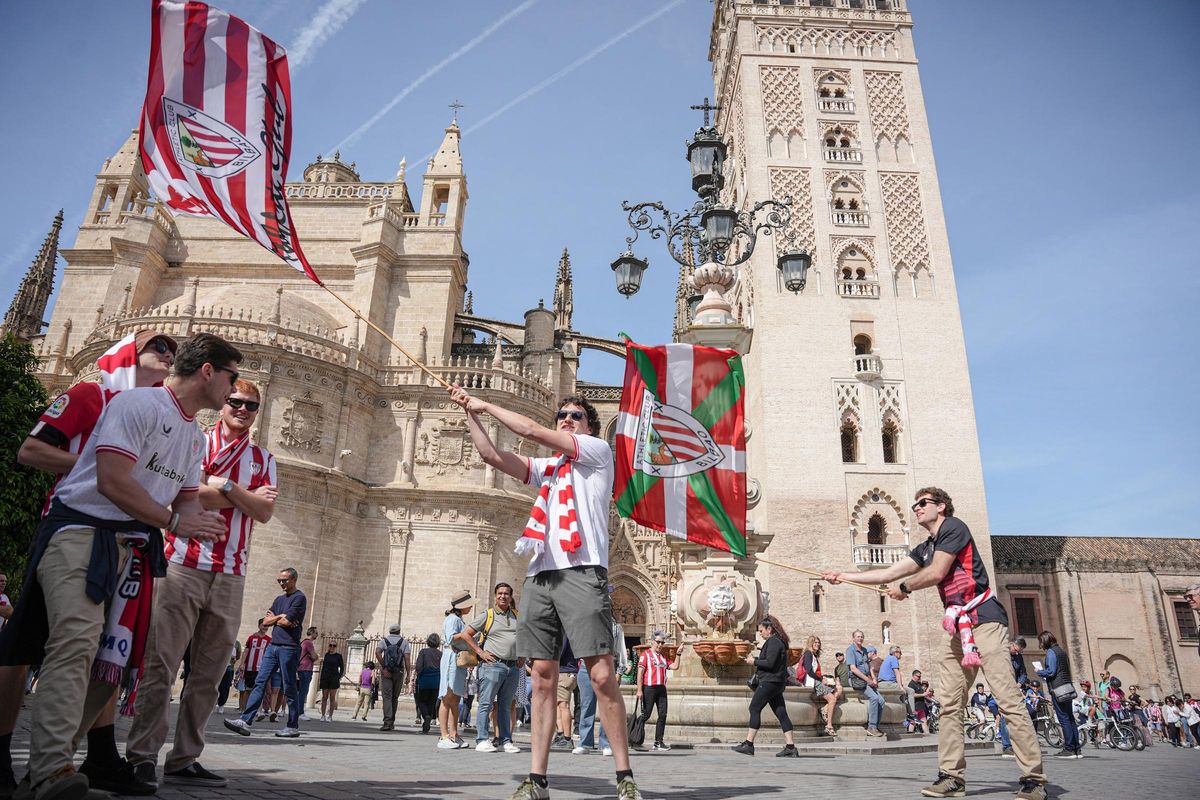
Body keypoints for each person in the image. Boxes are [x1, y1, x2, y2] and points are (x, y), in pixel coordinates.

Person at [0, 331, 234, 800]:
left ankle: (51, 763)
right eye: (232, 377)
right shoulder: (138, 406)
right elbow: (110, 481)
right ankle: (50, 770)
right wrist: (174, 520)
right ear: (208, 370)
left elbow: (186, 499)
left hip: (133, 548)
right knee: (76, 643)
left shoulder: (190, 436)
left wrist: (204, 520)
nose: (234, 390)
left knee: (114, 660)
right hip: (82, 533)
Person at [449, 385, 640, 800]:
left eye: (575, 416)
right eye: (563, 416)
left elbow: (532, 429)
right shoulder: (549, 470)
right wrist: (471, 413)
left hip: (583, 571)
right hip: (540, 577)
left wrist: (487, 402)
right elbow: (492, 457)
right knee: (541, 678)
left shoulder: (594, 455)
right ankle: (537, 780)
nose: (567, 419)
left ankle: (624, 775)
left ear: (589, 428)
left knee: (602, 674)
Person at [824, 487, 1047, 800]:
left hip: (985, 620)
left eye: (922, 503)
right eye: (914, 504)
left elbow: (938, 572)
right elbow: (887, 572)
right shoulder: (926, 547)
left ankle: (1033, 779)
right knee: (950, 704)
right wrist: (842, 575)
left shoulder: (954, 528)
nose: (916, 508)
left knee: (1007, 698)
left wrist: (905, 587)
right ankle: (952, 777)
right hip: (957, 629)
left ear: (941, 506)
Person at [127, 377, 277, 787]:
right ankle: (142, 755)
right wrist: (243, 494)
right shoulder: (193, 442)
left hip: (232, 572)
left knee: (209, 675)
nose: (242, 410)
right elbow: (181, 490)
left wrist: (223, 485)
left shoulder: (264, 458)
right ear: (222, 404)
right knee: (162, 663)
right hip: (183, 564)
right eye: (235, 402)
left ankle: (184, 757)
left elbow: (264, 513)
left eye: (251, 405)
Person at [223, 568, 307, 737]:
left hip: (289, 647)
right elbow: (267, 621)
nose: (282, 583)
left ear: (294, 579)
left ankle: (292, 726)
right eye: (279, 581)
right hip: (273, 646)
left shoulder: (299, 598)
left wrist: (279, 618)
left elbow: (286, 620)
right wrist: (278, 618)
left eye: (285, 580)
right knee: (260, 682)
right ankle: (245, 721)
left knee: (289, 686)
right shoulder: (279, 599)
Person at [457, 582, 522, 753]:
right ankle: (482, 739)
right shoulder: (488, 615)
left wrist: (523, 656)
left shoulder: (517, 615)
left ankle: (505, 741)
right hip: (492, 665)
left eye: (506, 593)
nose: (503, 596)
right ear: (495, 596)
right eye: (500, 593)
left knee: (505, 705)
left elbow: (525, 637)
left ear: (511, 596)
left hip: (512, 667)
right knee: (486, 703)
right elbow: (466, 634)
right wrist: (480, 652)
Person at [731, 616, 797, 757]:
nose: (760, 633)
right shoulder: (779, 642)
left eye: (761, 630)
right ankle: (790, 747)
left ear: (769, 629)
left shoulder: (773, 642)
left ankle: (749, 744)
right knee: (781, 713)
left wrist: (753, 661)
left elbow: (770, 663)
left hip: (769, 682)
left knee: (754, 708)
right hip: (777, 683)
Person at [576, 613, 626, 756]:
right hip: (586, 667)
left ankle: (605, 743)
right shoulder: (586, 623)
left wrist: (620, 671)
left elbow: (620, 649)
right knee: (586, 705)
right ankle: (584, 743)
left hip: (607, 666)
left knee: (607, 706)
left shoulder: (616, 627)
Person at [1034, 630, 1080, 759]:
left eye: (1041, 642)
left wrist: (1040, 671)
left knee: (1064, 718)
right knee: (1070, 718)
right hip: (1067, 687)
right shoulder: (1062, 651)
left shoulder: (1051, 652)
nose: (1040, 645)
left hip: (1058, 689)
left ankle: (1069, 749)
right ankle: (1077, 749)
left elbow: (1051, 672)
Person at [635, 633, 685, 751]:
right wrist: (639, 690)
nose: (660, 645)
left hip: (661, 688)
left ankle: (658, 742)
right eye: (658, 642)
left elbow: (675, 666)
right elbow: (640, 674)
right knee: (646, 715)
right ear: (652, 641)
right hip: (649, 687)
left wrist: (678, 653)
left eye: (662, 643)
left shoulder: (662, 656)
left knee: (662, 715)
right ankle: (634, 737)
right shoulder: (645, 655)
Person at [438, 589, 473, 750]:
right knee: (447, 696)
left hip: (458, 659)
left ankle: (453, 733)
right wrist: (467, 634)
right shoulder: (452, 619)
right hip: (452, 657)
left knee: (456, 698)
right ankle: (443, 734)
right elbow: (451, 637)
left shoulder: (458, 619)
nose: (471, 607)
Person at [844, 630, 884, 737]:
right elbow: (853, 669)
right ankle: (871, 727)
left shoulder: (865, 650)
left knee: (881, 700)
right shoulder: (850, 650)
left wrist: (874, 678)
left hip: (866, 679)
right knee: (874, 698)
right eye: (858, 636)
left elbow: (869, 667)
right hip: (856, 679)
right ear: (853, 638)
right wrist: (868, 680)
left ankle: (875, 725)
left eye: (861, 637)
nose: (860, 638)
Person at [800, 635, 841, 736]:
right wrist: (821, 679)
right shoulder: (808, 654)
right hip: (813, 682)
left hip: (816, 680)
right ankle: (829, 726)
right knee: (832, 699)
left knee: (838, 689)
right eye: (815, 642)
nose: (817, 644)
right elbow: (809, 671)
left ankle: (825, 709)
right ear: (810, 643)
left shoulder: (813, 655)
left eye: (818, 643)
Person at [375, 623, 412, 732]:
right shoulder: (404, 642)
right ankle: (391, 722)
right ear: (399, 631)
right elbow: (407, 658)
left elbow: (377, 652)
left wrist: (384, 667)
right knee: (394, 697)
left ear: (390, 631)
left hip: (387, 671)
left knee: (387, 697)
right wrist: (408, 674)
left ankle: (387, 721)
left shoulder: (383, 641)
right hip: (399, 672)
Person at [239, 619, 271, 712]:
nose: (265, 627)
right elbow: (246, 651)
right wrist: (242, 664)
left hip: (262, 669)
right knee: (248, 689)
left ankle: (258, 710)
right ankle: (244, 710)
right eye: (263, 625)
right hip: (250, 668)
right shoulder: (251, 638)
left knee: (260, 690)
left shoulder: (269, 640)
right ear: (259, 626)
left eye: (267, 626)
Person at [413, 633, 442, 734]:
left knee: (421, 701)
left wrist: (419, 674)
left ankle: (426, 716)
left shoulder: (423, 652)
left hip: (425, 679)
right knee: (432, 702)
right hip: (437, 681)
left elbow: (418, 666)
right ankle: (427, 724)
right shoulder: (440, 654)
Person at [316, 642, 344, 722]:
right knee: (324, 697)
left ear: (336, 647)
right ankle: (323, 715)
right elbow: (323, 667)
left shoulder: (339, 656)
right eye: (330, 645)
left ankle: (330, 716)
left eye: (334, 645)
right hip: (325, 678)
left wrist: (338, 677)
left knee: (332, 698)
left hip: (334, 679)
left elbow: (342, 668)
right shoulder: (326, 655)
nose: (332, 647)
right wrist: (321, 679)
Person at [297, 627, 318, 721]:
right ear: (312, 633)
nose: (317, 634)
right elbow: (315, 656)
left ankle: (298, 711)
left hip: (300, 669)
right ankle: (300, 713)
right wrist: (315, 656)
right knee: (303, 692)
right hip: (306, 669)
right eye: (316, 633)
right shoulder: (309, 643)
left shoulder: (302, 642)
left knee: (300, 692)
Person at [908, 670, 930, 734]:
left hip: (921, 706)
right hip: (914, 706)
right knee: (913, 722)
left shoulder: (919, 684)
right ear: (913, 676)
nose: (919, 678)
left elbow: (923, 691)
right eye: (918, 676)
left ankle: (927, 735)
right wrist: (923, 694)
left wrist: (925, 693)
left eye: (920, 676)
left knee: (924, 721)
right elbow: (912, 695)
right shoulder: (911, 684)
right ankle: (910, 735)